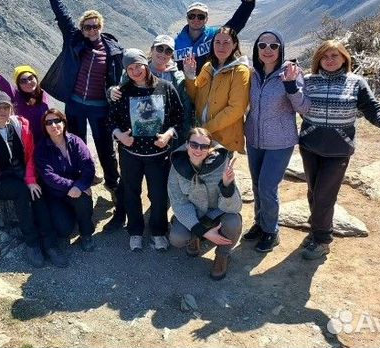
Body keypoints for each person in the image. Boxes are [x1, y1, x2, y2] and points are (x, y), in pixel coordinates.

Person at [298, 40, 380, 259]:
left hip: (339, 149)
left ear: (344, 59)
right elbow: (297, 104)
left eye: (334, 56)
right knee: (313, 191)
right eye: (325, 57)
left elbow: (372, 108)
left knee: (324, 195)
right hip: (310, 146)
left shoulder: (356, 82)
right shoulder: (308, 81)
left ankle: (322, 239)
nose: (329, 61)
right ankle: (318, 226)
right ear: (318, 59)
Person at [40, 0, 125, 216]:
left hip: (100, 106)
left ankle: (112, 183)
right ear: (82, 28)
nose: (91, 30)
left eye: (95, 26)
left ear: (101, 26)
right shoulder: (74, 40)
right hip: (75, 104)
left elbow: (118, 78)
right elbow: (61, 15)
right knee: (75, 144)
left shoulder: (112, 50)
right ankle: (80, 184)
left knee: (104, 146)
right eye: (87, 26)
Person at [0, 92, 68, 268]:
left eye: (6, 107)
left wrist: (31, 179)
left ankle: (50, 245)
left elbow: (30, 154)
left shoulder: (21, 125)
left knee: (37, 193)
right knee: (22, 191)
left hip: (21, 173)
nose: (3, 111)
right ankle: (32, 243)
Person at [109, 49, 184, 252]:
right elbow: (110, 120)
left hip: (159, 156)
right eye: (130, 68)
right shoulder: (121, 93)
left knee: (158, 195)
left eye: (138, 66)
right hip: (130, 154)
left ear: (146, 63)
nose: (135, 71)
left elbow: (179, 117)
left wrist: (168, 134)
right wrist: (119, 134)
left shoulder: (166, 87)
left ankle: (158, 231)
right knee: (131, 193)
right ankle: (135, 231)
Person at [242, 31, 310, 253]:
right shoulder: (252, 74)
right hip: (254, 139)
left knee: (267, 186)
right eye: (262, 45)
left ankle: (271, 230)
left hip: (280, 141)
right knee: (256, 184)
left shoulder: (291, 72)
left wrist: (291, 86)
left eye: (273, 45)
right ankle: (260, 223)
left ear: (281, 49)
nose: (267, 49)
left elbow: (303, 107)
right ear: (257, 49)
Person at [168, 127, 242, 280]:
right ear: (187, 144)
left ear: (210, 148)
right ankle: (195, 237)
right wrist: (203, 231)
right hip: (194, 213)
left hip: (218, 213)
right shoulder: (177, 165)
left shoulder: (222, 164)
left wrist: (227, 187)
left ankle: (223, 255)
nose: (198, 150)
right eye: (194, 145)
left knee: (233, 222)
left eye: (204, 146)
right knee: (177, 237)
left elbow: (235, 207)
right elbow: (179, 203)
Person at [109, 34, 193, 147]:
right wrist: (111, 92)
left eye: (168, 51)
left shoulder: (177, 78)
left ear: (172, 54)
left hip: (166, 139)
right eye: (160, 48)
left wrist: (181, 136)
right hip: (137, 141)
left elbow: (184, 109)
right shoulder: (136, 70)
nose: (163, 53)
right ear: (152, 49)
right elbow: (119, 96)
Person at [174, 0, 264, 73]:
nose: (196, 19)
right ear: (187, 18)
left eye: (201, 16)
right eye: (192, 16)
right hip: (187, 87)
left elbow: (237, 22)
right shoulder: (176, 42)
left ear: (206, 19)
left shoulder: (215, 35)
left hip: (211, 85)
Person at [35, 109, 96, 252]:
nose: (54, 125)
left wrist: (81, 185)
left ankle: (86, 233)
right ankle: (75, 215)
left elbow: (88, 165)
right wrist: (72, 186)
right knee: (64, 231)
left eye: (57, 120)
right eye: (49, 122)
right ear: (44, 127)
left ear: (64, 122)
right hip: (55, 194)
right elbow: (48, 176)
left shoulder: (75, 141)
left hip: (76, 191)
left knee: (83, 199)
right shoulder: (42, 148)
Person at [183, 26, 251, 154]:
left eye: (226, 43)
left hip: (223, 140)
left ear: (235, 45)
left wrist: (206, 129)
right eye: (217, 42)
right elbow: (195, 97)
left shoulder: (240, 71)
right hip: (202, 136)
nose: (221, 47)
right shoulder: (208, 67)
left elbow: (236, 109)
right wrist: (190, 77)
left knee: (219, 173)